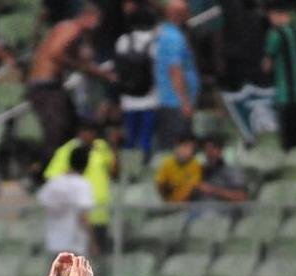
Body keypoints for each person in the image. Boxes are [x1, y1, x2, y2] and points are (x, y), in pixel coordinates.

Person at [27, 3, 115, 162]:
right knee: (56, 129)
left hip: (54, 86)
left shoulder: (79, 35)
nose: (98, 26)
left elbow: (84, 61)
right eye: (97, 20)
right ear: (88, 16)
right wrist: (80, 66)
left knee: (71, 125)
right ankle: (43, 171)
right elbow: (55, 53)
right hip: (45, 86)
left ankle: (66, 164)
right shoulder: (71, 28)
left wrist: (102, 73)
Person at [43, 123, 119, 250]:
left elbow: (114, 171)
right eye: (88, 132)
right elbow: (52, 176)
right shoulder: (67, 150)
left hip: (101, 213)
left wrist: (114, 146)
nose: (92, 136)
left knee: (99, 256)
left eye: (93, 133)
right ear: (81, 133)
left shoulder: (101, 146)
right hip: (78, 215)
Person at [114, 0, 161, 159]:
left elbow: (119, 68)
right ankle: (142, 166)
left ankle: (129, 169)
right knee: (145, 138)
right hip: (149, 98)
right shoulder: (154, 41)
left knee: (130, 139)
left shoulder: (122, 41)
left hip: (128, 98)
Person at [263, 1, 296, 149]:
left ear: (275, 14)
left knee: (288, 145)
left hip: (286, 98)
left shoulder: (275, 34)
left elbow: (267, 65)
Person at [155, 0, 200, 149]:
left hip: (169, 101)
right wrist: (185, 102)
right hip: (176, 103)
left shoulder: (164, 32)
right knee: (178, 147)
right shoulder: (174, 38)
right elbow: (175, 70)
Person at [37, 145, 96, 255]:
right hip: (74, 243)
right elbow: (83, 217)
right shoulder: (82, 185)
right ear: (86, 164)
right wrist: (93, 242)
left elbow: (43, 202)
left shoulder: (54, 182)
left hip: (54, 243)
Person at [195, 134, 249, 202]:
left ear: (220, 150)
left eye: (212, 149)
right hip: (196, 208)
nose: (209, 153)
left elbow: (242, 197)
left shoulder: (232, 170)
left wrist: (212, 190)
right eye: (206, 149)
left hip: (222, 210)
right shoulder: (202, 170)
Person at [154, 135, 202, 202]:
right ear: (176, 146)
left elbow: (194, 188)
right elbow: (160, 186)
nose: (186, 151)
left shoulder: (195, 165)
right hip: (168, 204)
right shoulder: (166, 163)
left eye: (191, 149)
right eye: (184, 146)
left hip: (187, 205)